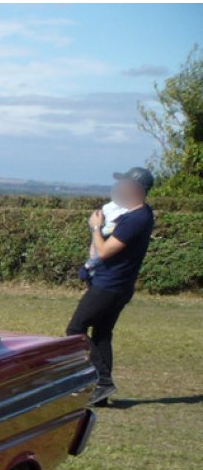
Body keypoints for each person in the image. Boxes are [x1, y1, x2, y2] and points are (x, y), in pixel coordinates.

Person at [65, 166, 155, 406]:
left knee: (75, 329)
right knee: (102, 335)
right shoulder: (130, 216)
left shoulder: (136, 218)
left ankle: (102, 381)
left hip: (110, 286)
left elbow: (105, 251)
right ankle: (100, 393)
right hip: (114, 285)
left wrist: (95, 227)